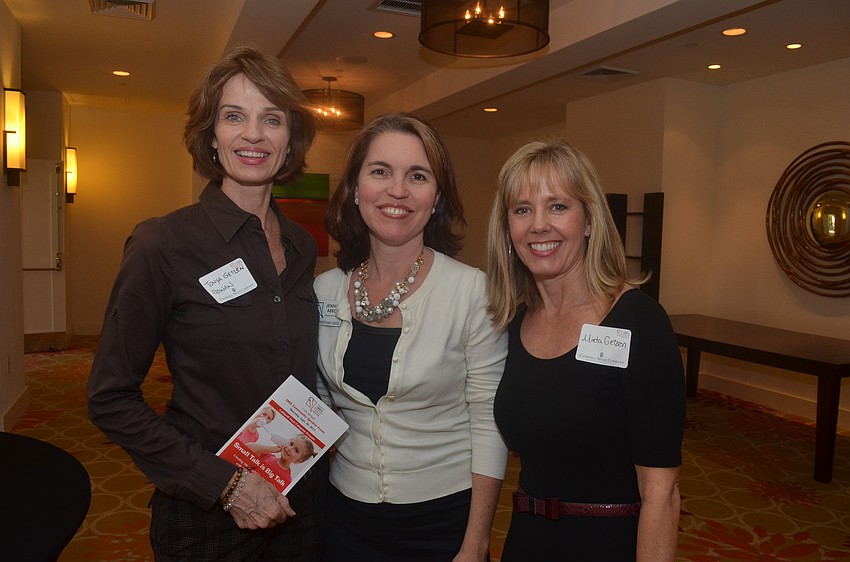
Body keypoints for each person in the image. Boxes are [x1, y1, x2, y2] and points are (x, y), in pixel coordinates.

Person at [87, 45, 327, 561]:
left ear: (290, 140)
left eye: (272, 119)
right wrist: (227, 485)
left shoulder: (303, 246)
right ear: (210, 135)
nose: (254, 134)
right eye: (234, 116)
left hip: (300, 502)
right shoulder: (163, 244)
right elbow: (110, 399)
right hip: (207, 514)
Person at [314, 113, 507, 562]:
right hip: (344, 515)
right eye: (380, 171)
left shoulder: (472, 292)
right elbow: (321, 404)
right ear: (355, 189)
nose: (397, 191)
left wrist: (476, 541)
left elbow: (487, 421)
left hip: (443, 522)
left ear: (436, 197)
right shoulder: (323, 291)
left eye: (417, 176)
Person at [486, 138, 685, 561]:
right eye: (522, 209)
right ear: (507, 229)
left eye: (558, 206)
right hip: (526, 540)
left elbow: (662, 493)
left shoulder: (639, 321)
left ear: (590, 221)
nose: (539, 224)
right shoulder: (514, 321)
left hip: (607, 545)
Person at [249, 434, 317, 488]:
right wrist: (270, 448)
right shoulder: (268, 456)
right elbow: (246, 447)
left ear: (298, 460)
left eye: (296, 450)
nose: (289, 448)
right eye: (291, 444)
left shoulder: (286, 480)